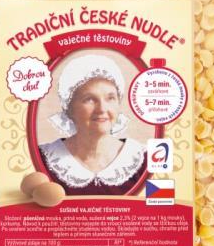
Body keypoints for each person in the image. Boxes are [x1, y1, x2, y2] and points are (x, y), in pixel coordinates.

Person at [39, 54, 146, 195]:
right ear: (69, 108)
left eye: (110, 98)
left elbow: (162, 202)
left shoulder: (144, 159)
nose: (102, 109)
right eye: (89, 99)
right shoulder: (43, 158)